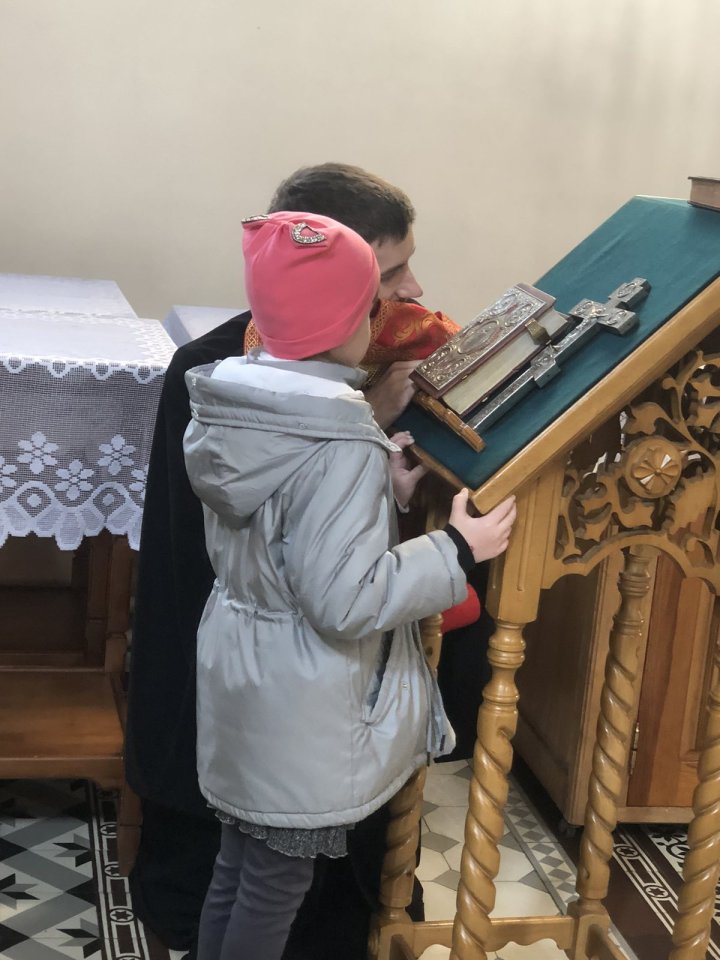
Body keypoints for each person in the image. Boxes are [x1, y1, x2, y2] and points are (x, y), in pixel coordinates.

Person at [124, 162, 488, 958]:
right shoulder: (333, 428)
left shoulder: (232, 394)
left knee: (240, 871)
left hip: (242, 689)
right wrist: (456, 547)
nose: (413, 290)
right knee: (272, 885)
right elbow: (342, 596)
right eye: (388, 279)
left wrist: (380, 480)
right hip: (306, 707)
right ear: (347, 306)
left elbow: (276, 527)